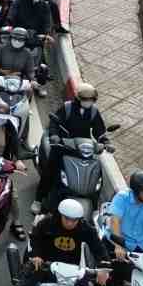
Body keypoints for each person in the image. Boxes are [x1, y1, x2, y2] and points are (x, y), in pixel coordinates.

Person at [33, 83, 108, 213]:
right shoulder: (67, 108)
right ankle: (39, 199)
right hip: (63, 146)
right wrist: (55, 136)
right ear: (78, 98)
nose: (88, 102)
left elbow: (99, 130)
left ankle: (95, 207)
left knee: (96, 175)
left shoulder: (94, 111)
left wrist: (105, 141)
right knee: (50, 172)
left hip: (83, 149)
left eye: (91, 99)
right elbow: (54, 123)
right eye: (85, 99)